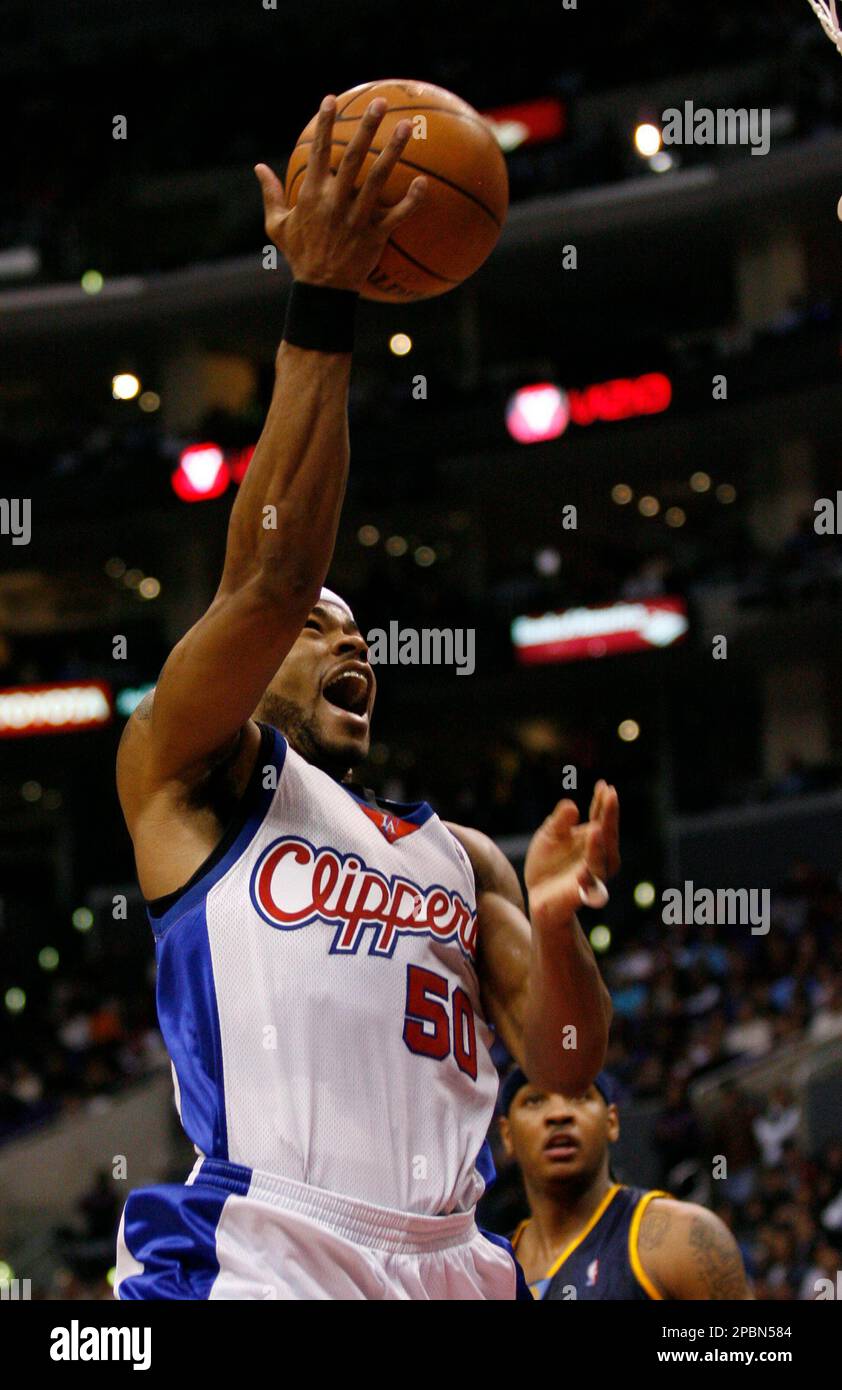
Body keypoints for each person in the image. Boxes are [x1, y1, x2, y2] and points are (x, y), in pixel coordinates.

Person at [113, 95, 617, 1300]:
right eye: (320, 632)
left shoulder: (464, 857)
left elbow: (562, 1054)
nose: (354, 645)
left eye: (362, 635)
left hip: (452, 1260)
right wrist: (321, 300)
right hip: (267, 1247)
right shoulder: (187, 775)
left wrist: (554, 925)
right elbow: (275, 571)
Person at [499, 1068, 752, 1299]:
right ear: (507, 1135)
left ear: (612, 1122)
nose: (558, 1114)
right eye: (534, 1101)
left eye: (579, 1097)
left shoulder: (683, 1235)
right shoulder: (487, 1266)